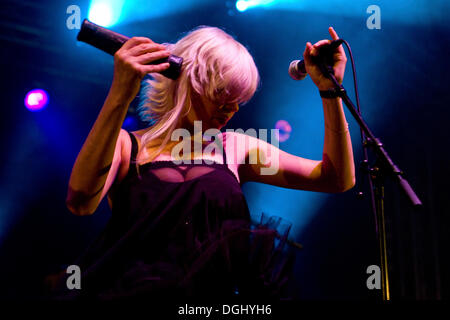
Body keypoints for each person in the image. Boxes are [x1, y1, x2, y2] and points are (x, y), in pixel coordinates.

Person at [54, 25, 355, 301]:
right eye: (223, 96)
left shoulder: (235, 148)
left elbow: (336, 178)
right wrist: (121, 90)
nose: (232, 109)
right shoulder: (125, 145)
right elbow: (80, 201)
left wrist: (330, 91)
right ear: (189, 80)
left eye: (239, 101)